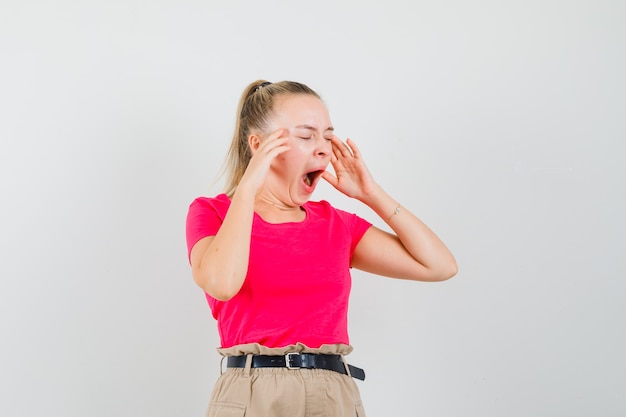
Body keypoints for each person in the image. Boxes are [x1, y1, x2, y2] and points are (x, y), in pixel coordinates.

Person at [185, 80, 457, 417]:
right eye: (306, 135)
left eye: (328, 136)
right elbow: (222, 284)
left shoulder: (336, 225)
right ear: (258, 145)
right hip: (251, 392)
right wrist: (248, 188)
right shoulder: (213, 212)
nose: (324, 148)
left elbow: (439, 266)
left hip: (332, 393)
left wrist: (371, 193)